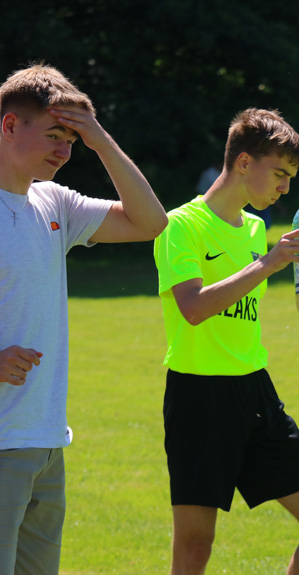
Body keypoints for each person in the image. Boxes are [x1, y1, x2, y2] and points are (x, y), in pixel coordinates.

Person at [153, 108, 299, 574]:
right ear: (243, 162)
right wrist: (269, 264)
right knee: (195, 543)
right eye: (279, 173)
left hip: (255, 391)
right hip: (199, 394)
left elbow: (242, 305)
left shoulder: (256, 229)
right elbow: (195, 307)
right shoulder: (180, 225)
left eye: (290, 177)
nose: (284, 187)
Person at [0, 64, 168, 574]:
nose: (64, 151)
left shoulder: (53, 201)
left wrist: (102, 142)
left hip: (46, 439)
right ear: (9, 126)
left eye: (72, 140)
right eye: (55, 135)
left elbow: (150, 222)